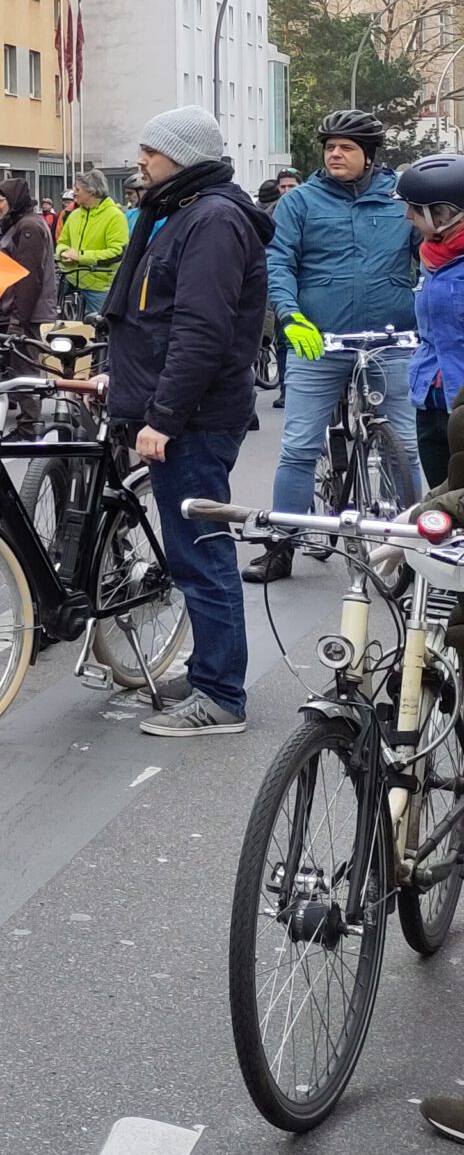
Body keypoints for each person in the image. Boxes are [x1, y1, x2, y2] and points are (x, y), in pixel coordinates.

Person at [98, 106, 271, 737]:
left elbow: (201, 331)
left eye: (151, 150)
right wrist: (118, 378)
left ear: (184, 156)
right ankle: (207, 672)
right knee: (189, 551)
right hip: (178, 410)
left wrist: (164, 417)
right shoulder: (179, 211)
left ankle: (221, 696)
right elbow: (152, 318)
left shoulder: (213, 220)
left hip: (194, 419)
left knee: (201, 555)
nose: (140, 160)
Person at [246, 107, 422, 583]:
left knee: (405, 448)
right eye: (330, 147)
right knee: (299, 447)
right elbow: (278, 262)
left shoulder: (400, 200)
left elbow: (430, 252)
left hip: (391, 341)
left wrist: (429, 302)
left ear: (370, 155)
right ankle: (281, 544)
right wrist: (290, 315)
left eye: (346, 147)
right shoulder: (300, 202)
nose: (335, 154)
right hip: (318, 343)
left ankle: (415, 549)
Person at [399, 154, 464, 488]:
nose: (408, 215)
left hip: (461, 405)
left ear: (444, 212)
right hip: (430, 400)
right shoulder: (430, 258)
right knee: (441, 507)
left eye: (415, 208)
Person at [0, 178, 57, 331]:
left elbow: (29, 277)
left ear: (13, 200)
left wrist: (18, 321)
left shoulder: (28, 226)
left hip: (25, 317)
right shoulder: (16, 224)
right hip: (14, 313)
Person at [56, 170, 130, 316]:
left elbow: (117, 253)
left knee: (99, 327)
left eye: (77, 189)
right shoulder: (74, 215)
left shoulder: (115, 216)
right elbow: (62, 241)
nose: (74, 193)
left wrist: (80, 256)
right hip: (70, 279)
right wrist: (63, 252)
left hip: (99, 287)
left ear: (91, 192)